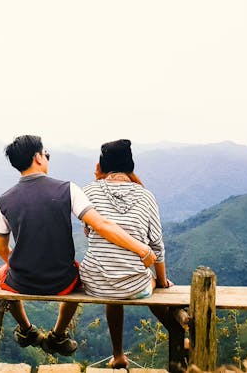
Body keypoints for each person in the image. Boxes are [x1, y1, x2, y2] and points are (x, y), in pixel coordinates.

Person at [0, 134, 158, 356]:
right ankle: (58, 335)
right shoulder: (67, 189)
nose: (47, 158)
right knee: (78, 271)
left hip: (21, 282)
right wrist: (141, 249)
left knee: (1, 273)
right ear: (38, 158)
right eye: (46, 154)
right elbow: (101, 225)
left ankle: (26, 329)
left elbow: (1, 250)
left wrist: (21, 265)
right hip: (63, 281)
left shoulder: (3, 200)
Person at [80, 139, 172, 368]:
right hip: (134, 286)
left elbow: (88, 231)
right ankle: (180, 331)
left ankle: (118, 354)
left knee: (112, 282)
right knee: (148, 282)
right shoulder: (146, 196)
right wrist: (161, 281)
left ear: (102, 165)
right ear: (130, 166)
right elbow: (157, 247)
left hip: (94, 283)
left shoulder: (89, 191)